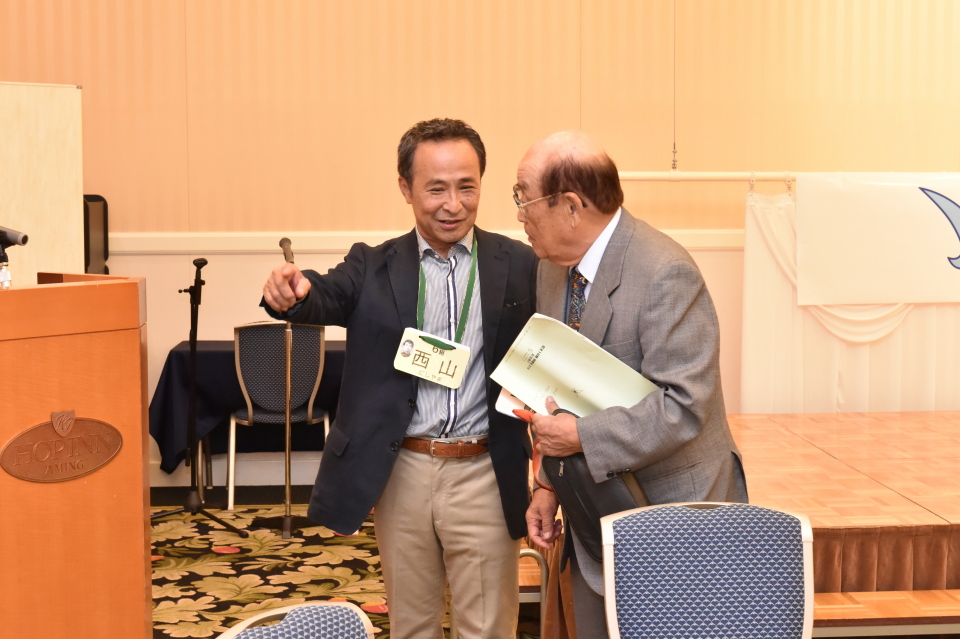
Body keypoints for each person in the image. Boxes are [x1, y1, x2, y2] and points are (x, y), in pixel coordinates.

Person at [261, 118, 537, 639]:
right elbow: (324, 294)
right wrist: (294, 293)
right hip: (403, 470)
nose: (453, 204)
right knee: (412, 624)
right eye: (436, 189)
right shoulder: (373, 265)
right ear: (406, 189)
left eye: (466, 187)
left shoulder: (519, 263)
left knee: (488, 629)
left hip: (485, 468)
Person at [517, 131, 748, 638]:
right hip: (596, 510)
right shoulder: (551, 270)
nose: (519, 215)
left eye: (524, 198)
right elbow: (559, 390)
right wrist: (547, 485)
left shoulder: (665, 272)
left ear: (571, 206)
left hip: (677, 517)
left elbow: (683, 406)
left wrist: (579, 437)